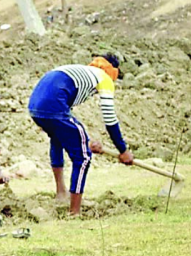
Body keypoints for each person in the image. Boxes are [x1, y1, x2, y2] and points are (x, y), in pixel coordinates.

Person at [28, 54, 134, 215]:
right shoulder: (103, 77)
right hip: (53, 105)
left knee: (57, 139)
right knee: (83, 157)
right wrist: (123, 149)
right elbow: (110, 118)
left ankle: (61, 193)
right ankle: (75, 211)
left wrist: (87, 142)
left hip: (35, 106)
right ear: (113, 71)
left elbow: (68, 129)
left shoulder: (82, 71)